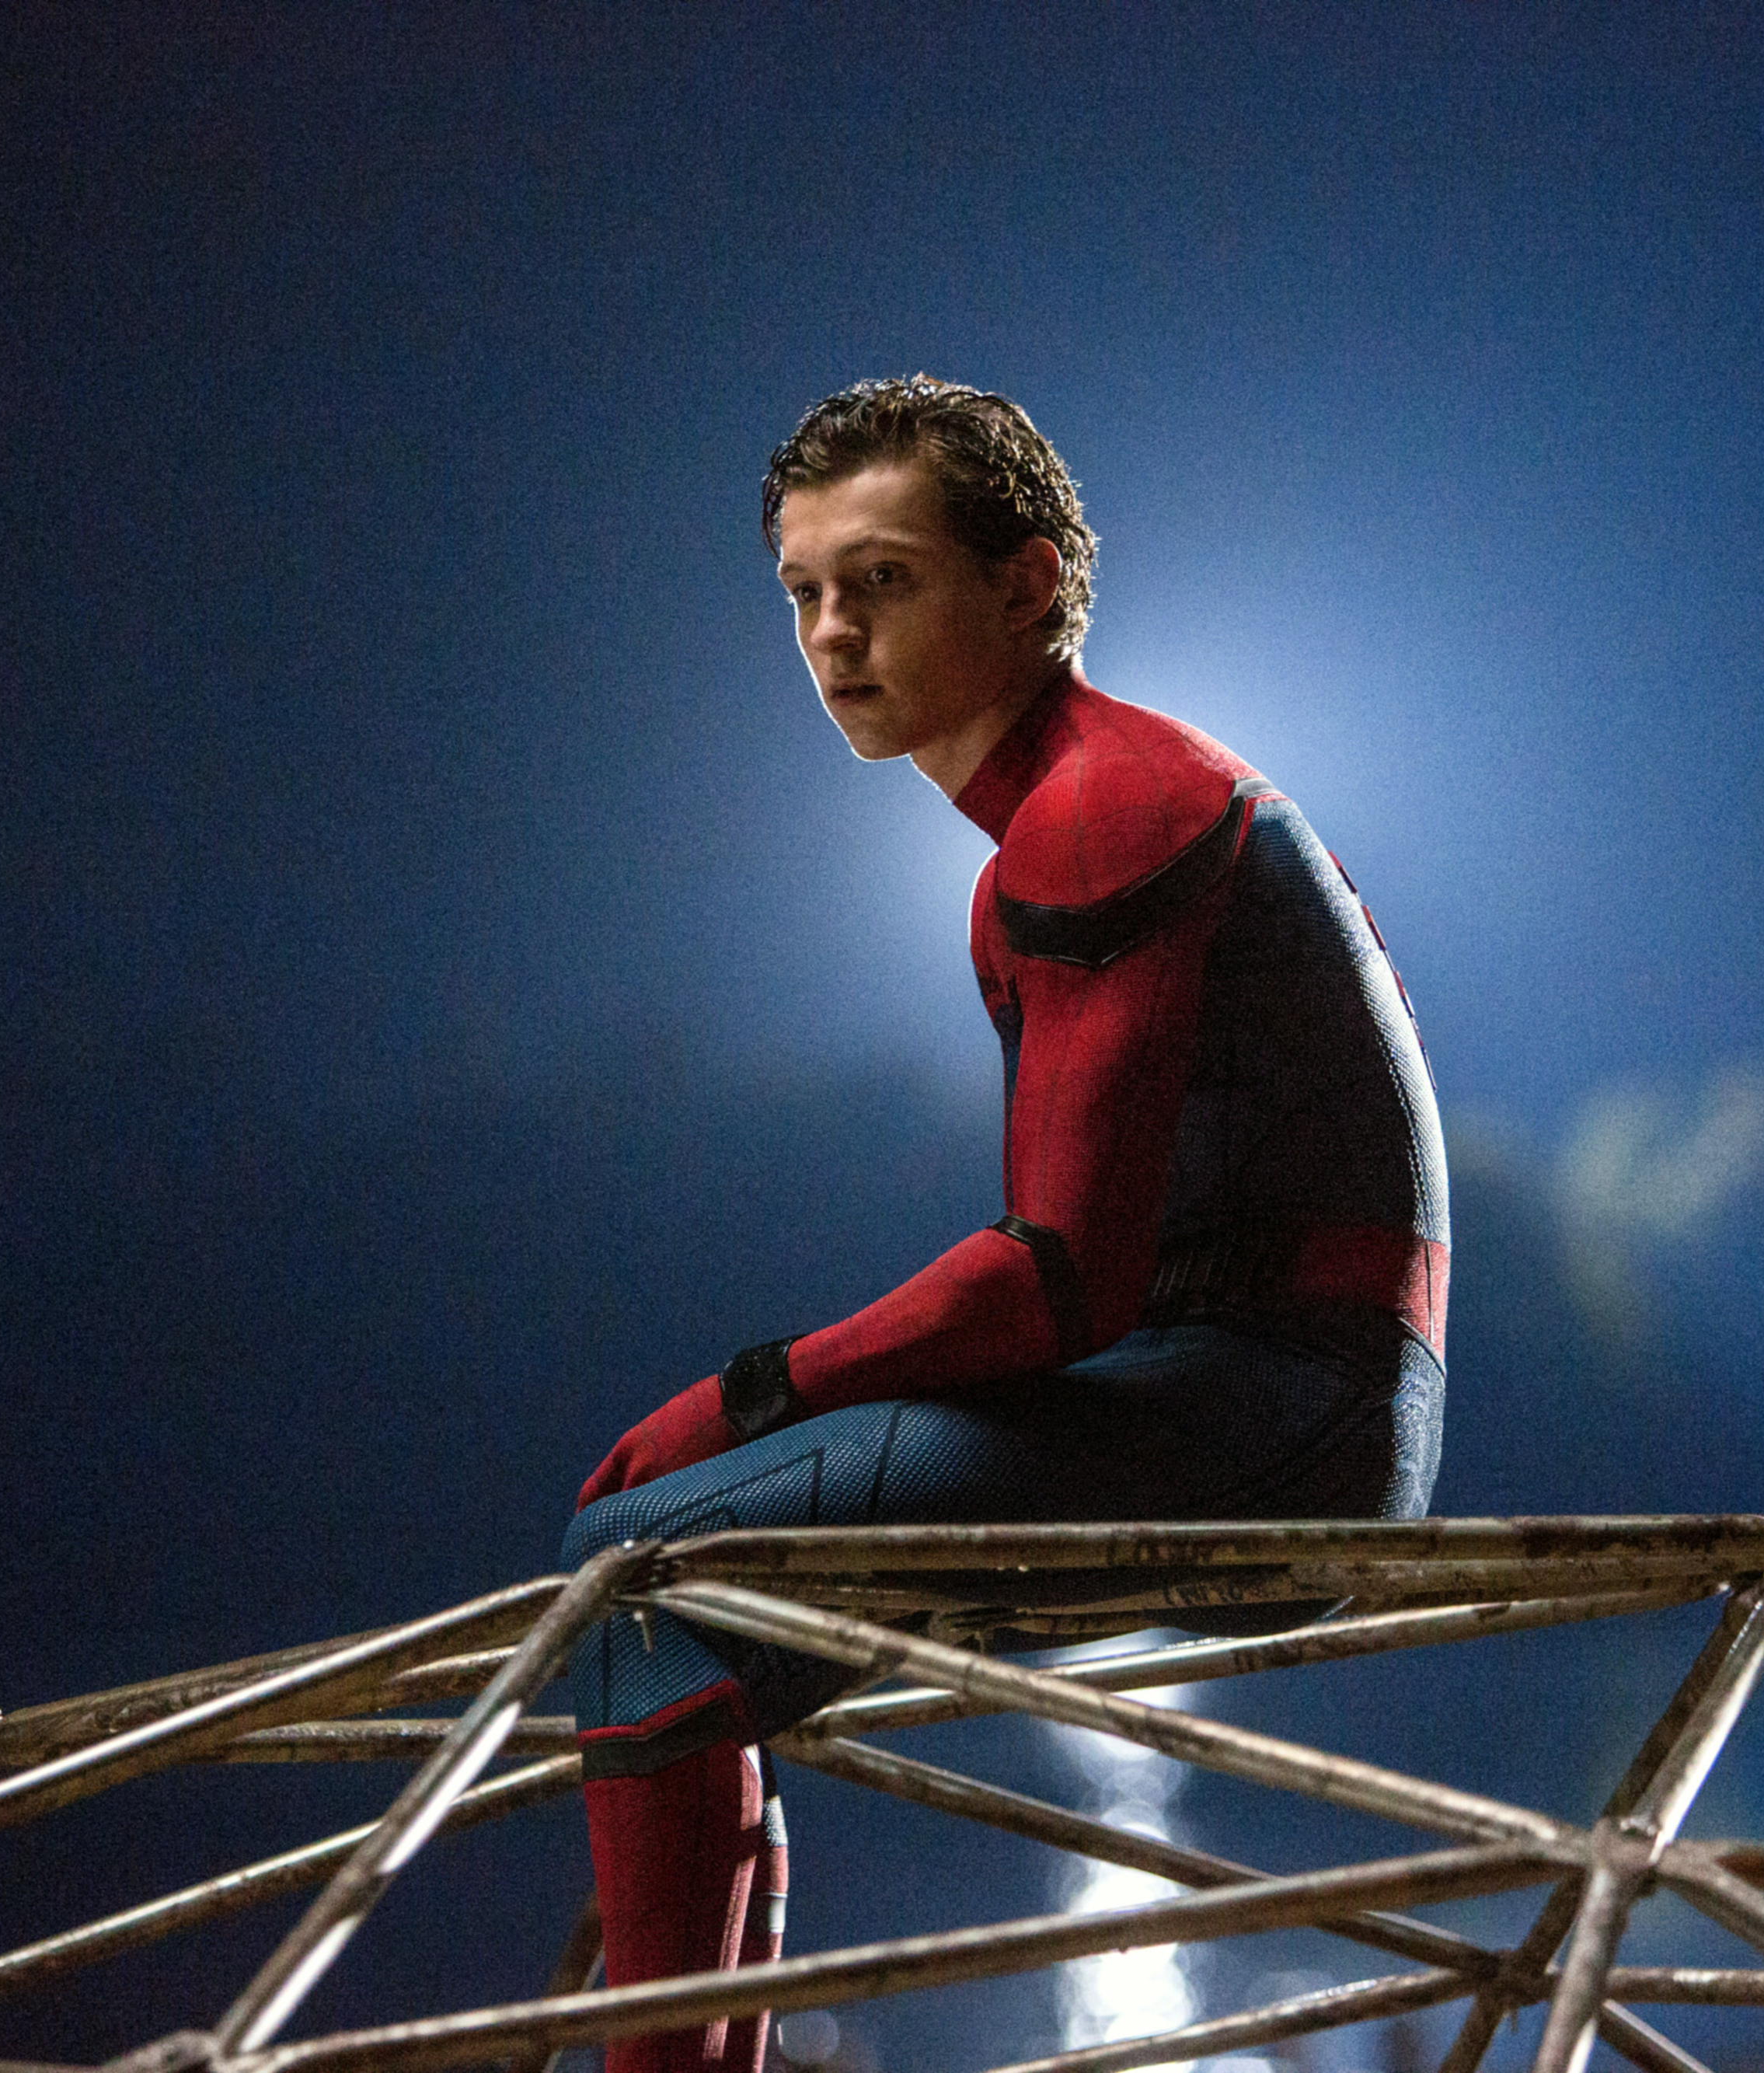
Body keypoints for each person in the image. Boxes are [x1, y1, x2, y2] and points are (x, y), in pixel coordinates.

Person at [558, 376, 1449, 2073]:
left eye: (880, 580)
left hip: (1285, 1404)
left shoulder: (1109, 811)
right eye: (802, 595)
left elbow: (1055, 1276)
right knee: (691, 1630)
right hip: (1252, 1379)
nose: (830, 635)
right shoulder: (1030, 851)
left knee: (632, 1578)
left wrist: (737, 1394)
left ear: (1027, 584)